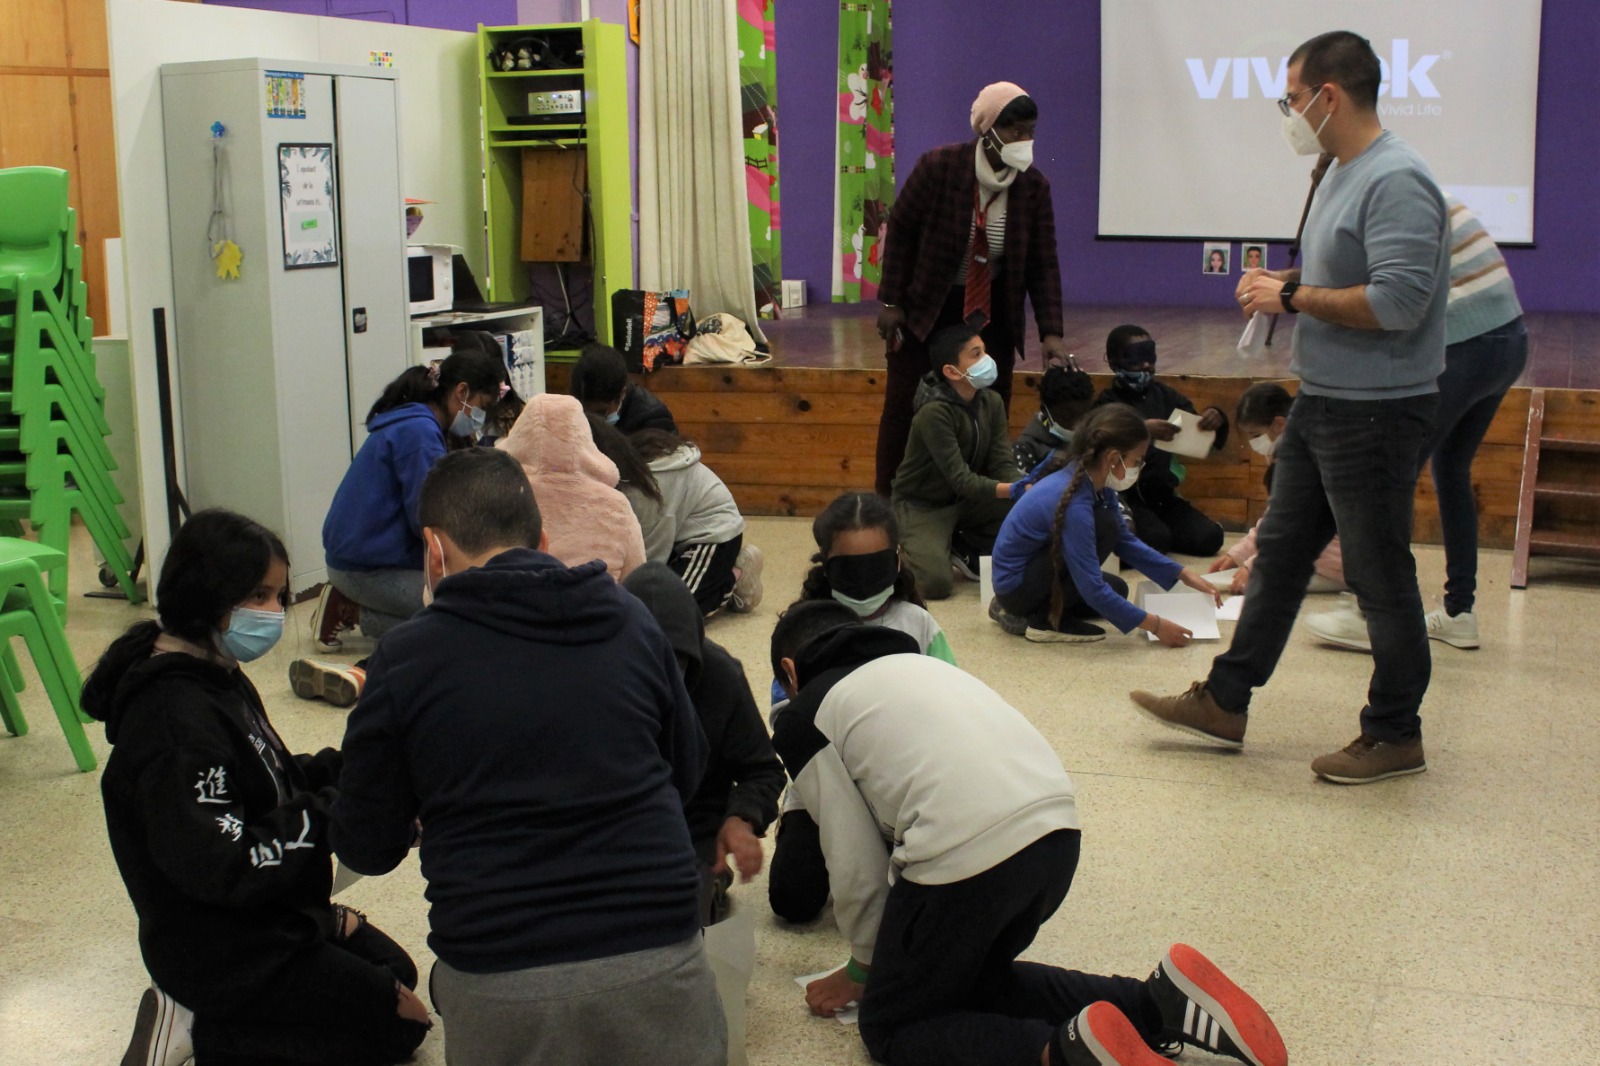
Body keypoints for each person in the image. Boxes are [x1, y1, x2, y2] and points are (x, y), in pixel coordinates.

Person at [329, 448, 725, 1066]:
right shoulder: (630, 621)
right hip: (663, 953)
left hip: (502, 969)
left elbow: (363, 845)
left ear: (433, 551)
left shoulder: (406, 658)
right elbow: (687, 770)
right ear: (542, 539)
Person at [769, 601, 1287, 1066]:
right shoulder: (920, 667)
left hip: (966, 855)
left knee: (892, 1025)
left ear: (791, 672)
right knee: (971, 985)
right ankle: (1155, 1004)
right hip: (1057, 832)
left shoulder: (805, 714)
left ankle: (1066, 1053)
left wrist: (862, 969)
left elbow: (853, 861)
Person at [1131, 30, 1449, 785]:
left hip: (1376, 410)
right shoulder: (1339, 168)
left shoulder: (1396, 177)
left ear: (1327, 96)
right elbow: (1347, 276)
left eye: (1291, 95)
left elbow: (1401, 301)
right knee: (1277, 557)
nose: (1288, 110)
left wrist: (1294, 295)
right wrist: (1289, 283)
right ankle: (1226, 700)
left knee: (1380, 575)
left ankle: (1396, 732)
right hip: (1326, 400)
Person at [84, 509, 430, 1066]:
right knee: (394, 1029)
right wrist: (343, 808)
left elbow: (268, 777)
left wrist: (358, 768)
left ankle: (248, 992)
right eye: (257, 597)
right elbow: (228, 866)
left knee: (395, 973)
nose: (273, 613)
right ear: (206, 596)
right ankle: (196, 1028)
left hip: (262, 917)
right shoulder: (174, 721)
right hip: (222, 946)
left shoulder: (212, 672)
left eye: (277, 596)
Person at [1304, 192, 1526, 651]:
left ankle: (1371, 614)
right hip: (1507, 339)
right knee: (1450, 468)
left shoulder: (1383, 201)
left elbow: (1382, 301)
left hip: (1463, 341)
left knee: (1390, 476)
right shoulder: (1421, 187)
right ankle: (1459, 611)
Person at [874, 81, 1069, 497]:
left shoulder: (1035, 188)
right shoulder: (939, 167)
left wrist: (1051, 332)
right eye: (1016, 131)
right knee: (904, 406)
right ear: (989, 130)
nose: (1026, 141)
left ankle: (981, 501)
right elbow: (902, 231)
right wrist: (890, 300)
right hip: (928, 304)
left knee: (988, 405)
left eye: (1031, 130)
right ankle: (888, 504)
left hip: (991, 309)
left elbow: (1043, 262)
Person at [768, 491, 954, 926]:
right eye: (850, 568)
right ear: (827, 566)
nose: (865, 578)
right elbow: (785, 719)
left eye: (876, 563)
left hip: (901, 783)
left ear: (896, 560)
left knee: (915, 902)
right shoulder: (802, 624)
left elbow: (949, 697)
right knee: (792, 903)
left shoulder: (918, 623)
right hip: (825, 779)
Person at [313, 342, 505, 653]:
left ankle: (354, 604)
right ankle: (351, 609)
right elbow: (426, 519)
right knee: (463, 616)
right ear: (462, 392)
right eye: (481, 407)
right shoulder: (419, 434)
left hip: (365, 559)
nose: (480, 418)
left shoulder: (418, 423)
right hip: (364, 568)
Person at [623, 563, 785, 925]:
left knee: (676, 923)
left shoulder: (721, 677)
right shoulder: (596, 676)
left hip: (692, 829)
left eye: (675, 663)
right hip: (614, 826)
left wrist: (741, 818)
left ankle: (709, 882)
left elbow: (762, 769)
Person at [990, 405, 1222, 644]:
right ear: (1113, 458)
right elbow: (1091, 585)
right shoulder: (1074, 502)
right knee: (1105, 530)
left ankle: (1024, 614)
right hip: (1017, 588)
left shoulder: (1093, 481)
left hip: (1033, 573)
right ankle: (1043, 621)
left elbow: (1125, 541)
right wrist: (1157, 625)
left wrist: (1182, 573)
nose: (1139, 468)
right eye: (1137, 460)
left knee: (1118, 588)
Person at [891, 323, 1025, 600]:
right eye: (976, 355)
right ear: (951, 371)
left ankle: (961, 544)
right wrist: (1013, 490)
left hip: (968, 502)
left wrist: (1023, 488)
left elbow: (1002, 462)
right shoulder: (934, 414)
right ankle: (906, 542)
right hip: (924, 505)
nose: (987, 361)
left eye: (984, 352)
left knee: (1028, 511)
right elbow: (961, 479)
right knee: (934, 585)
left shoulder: (992, 402)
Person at [1093, 326, 1229, 556]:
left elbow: (1199, 431)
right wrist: (1142, 430)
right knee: (1157, 541)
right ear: (1114, 363)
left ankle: (1157, 532)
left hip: (1163, 497)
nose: (1146, 365)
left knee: (1210, 539)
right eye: (1137, 358)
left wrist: (1216, 418)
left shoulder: (1167, 396)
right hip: (1126, 499)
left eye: (1150, 357)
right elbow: (1097, 443)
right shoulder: (1106, 404)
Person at [1207, 383, 1348, 596]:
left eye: (1255, 435)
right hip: (1321, 540)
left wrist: (1255, 564)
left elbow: (1295, 525)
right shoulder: (1283, 447)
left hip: (1341, 553)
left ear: (1279, 424)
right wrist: (1239, 554)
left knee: (1265, 581)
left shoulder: (1306, 456)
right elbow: (1276, 515)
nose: (1252, 443)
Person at [497, 392, 647, 580]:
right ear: (582, 436)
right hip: (597, 606)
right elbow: (636, 579)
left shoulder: (495, 498)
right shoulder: (616, 507)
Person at [631, 428, 764, 615]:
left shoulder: (654, 483)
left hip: (713, 537)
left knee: (676, 612)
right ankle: (716, 575)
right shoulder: (645, 473)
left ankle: (737, 574)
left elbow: (654, 555)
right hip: (681, 537)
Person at [570, 342, 679, 433]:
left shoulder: (654, 419)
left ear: (622, 394)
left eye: (601, 413)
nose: (592, 420)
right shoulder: (575, 411)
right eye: (586, 413)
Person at [1013, 362, 1096, 474]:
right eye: (1067, 417)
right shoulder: (1026, 446)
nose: (1076, 426)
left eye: (1084, 417)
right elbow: (1018, 488)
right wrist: (1043, 472)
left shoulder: (1094, 439)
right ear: (1045, 410)